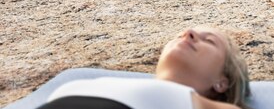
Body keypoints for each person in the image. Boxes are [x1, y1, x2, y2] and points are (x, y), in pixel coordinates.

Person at [39, 27, 250, 109]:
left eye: (209, 41)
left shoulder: (196, 104)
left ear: (222, 82)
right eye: (180, 34)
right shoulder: (85, 83)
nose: (189, 32)